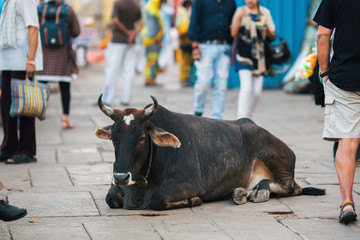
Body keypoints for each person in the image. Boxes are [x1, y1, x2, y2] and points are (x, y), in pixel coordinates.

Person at [314, 0, 360, 224]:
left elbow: (323, 35)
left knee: (348, 142)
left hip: (345, 79)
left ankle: (347, 203)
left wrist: (324, 72)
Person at [0, 0, 43, 164]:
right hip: (8, 61)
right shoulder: (8, 2)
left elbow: (33, 28)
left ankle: (27, 150)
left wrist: (31, 60)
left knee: (24, 106)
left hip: (21, 61)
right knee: (7, 105)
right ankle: (9, 147)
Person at [188, 0, 236, 119]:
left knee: (221, 85)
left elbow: (234, 25)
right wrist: (195, 46)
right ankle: (198, 111)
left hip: (224, 48)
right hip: (204, 47)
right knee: (203, 82)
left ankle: (217, 117)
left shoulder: (230, 3)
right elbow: (193, 22)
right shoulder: (200, 2)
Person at [36, 0, 80, 129]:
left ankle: (38, 113)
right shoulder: (68, 10)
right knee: (64, 87)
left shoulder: (40, 9)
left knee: (41, 85)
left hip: (44, 54)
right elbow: (76, 31)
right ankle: (65, 119)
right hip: (63, 55)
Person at [230, 0, 275, 119]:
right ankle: (241, 118)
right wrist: (239, 18)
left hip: (260, 58)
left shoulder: (265, 12)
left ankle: (248, 118)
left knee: (257, 92)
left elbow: (273, 35)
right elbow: (233, 34)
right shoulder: (240, 11)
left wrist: (266, 29)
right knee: (246, 88)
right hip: (244, 56)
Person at [101, 0, 142, 107]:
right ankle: (125, 99)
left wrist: (127, 32)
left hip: (117, 40)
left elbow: (116, 20)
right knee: (129, 71)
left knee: (112, 70)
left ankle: (108, 98)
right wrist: (133, 34)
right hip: (131, 42)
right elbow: (141, 23)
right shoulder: (135, 6)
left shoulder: (118, 3)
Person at [141, 0, 165, 87]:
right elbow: (155, 29)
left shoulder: (149, 9)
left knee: (149, 60)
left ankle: (149, 78)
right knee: (152, 60)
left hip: (147, 39)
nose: (161, 6)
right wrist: (159, 39)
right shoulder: (153, 13)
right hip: (152, 40)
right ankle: (151, 79)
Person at [175, 0, 192, 87]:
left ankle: (184, 78)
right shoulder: (183, 13)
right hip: (186, 41)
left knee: (185, 61)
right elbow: (182, 28)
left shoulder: (181, 12)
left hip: (185, 40)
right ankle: (184, 78)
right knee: (185, 61)